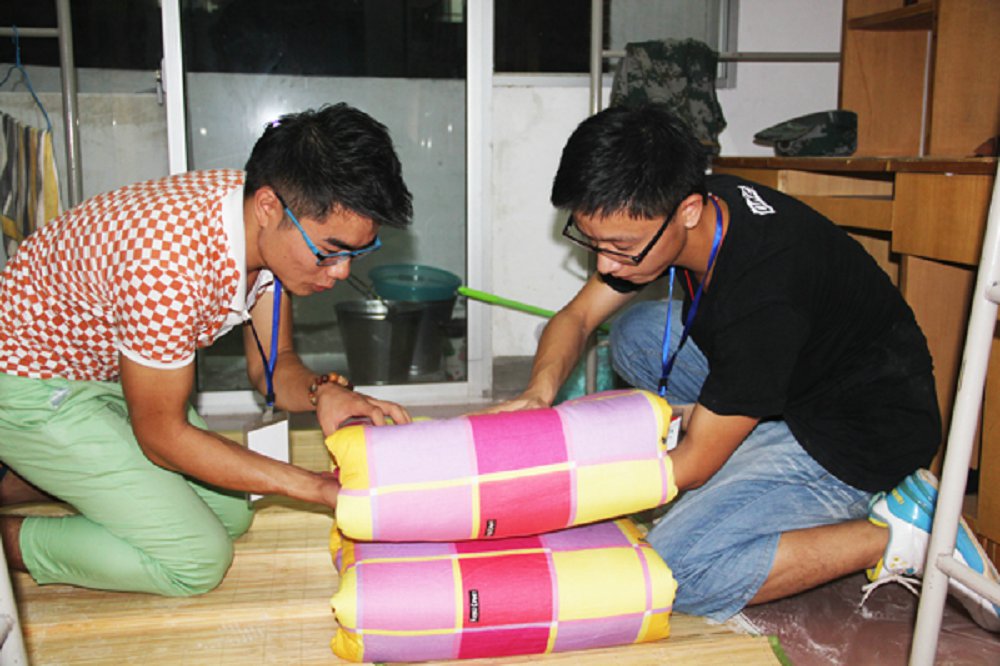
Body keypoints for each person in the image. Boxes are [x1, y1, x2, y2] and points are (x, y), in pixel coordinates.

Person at [497, 103, 1000, 630]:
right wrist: (538, 393)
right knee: (636, 336)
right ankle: (737, 436)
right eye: (594, 242)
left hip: (860, 435)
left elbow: (693, 466)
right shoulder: (707, 203)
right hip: (801, 378)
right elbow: (577, 318)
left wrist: (569, 488)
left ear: (687, 211)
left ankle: (907, 534)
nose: (605, 263)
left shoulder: (763, 297)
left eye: (622, 247)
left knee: (672, 572)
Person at [0, 103, 412, 596]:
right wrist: (314, 486)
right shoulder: (167, 265)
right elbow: (162, 437)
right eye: (330, 251)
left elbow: (274, 369)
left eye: (356, 253)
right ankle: (10, 538)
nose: (342, 271)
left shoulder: (263, 220)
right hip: (27, 383)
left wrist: (324, 392)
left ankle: (37, 475)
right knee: (196, 559)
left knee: (232, 513)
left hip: (105, 371)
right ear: (268, 208)